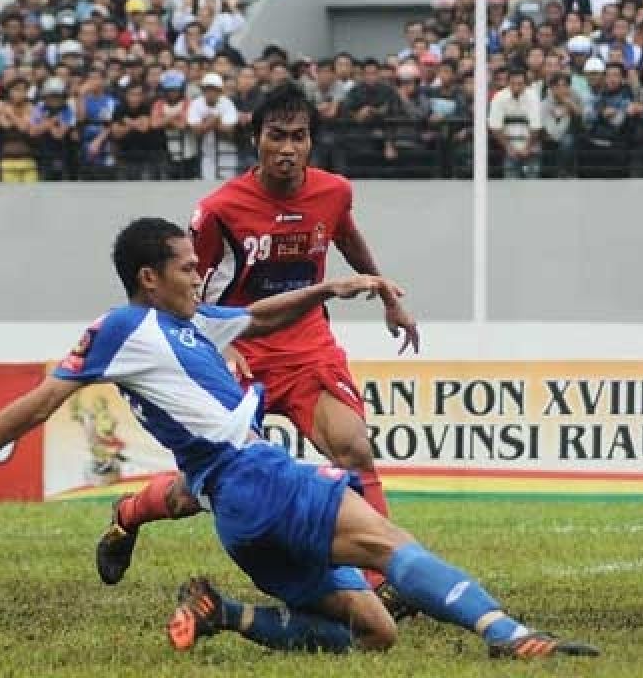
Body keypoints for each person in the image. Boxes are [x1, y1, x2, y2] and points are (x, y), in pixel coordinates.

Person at [0, 218, 599, 659]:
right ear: (148, 277)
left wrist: (330, 287)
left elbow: (263, 313)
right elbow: (42, 399)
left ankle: (226, 613)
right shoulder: (123, 327)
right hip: (259, 480)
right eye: (187, 268)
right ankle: (507, 634)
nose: (198, 276)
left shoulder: (192, 324)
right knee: (389, 544)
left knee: (377, 632)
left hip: (237, 516)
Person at [95, 83, 420, 602]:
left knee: (355, 446)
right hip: (238, 347)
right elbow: (189, 290)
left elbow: (345, 236)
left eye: (299, 137)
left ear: (311, 142)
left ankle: (383, 584)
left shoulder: (333, 192)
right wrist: (216, 346)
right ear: (256, 141)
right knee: (209, 488)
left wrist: (385, 292)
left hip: (307, 344)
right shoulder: (218, 210)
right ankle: (129, 514)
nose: (288, 149)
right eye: (276, 136)